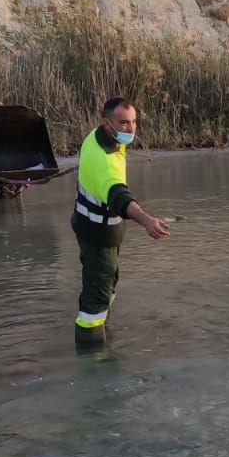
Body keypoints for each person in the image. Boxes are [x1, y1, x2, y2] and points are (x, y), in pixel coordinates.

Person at [72, 97, 169, 346]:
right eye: (123, 123)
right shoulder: (103, 158)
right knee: (95, 301)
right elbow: (119, 196)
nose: (131, 128)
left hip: (96, 229)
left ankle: (104, 330)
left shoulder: (102, 136)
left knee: (107, 286)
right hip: (97, 235)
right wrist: (147, 221)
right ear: (107, 123)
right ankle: (95, 363)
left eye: (134, 122)